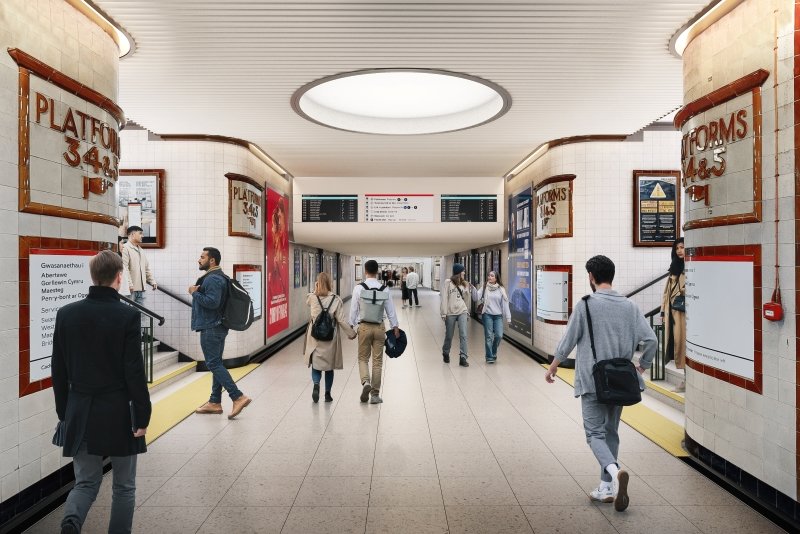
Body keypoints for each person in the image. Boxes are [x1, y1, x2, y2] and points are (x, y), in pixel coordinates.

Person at [544, 255, 657, 513]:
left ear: (591, 277)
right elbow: (651, 340)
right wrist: (642, 366)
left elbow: (568, 340)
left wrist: (553, 366)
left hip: (592, 380)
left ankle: (614, 473)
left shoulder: (585, 305)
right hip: (620, 382)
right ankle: (606, 487)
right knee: (611, 432)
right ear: (611, 276)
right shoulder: (630, 306)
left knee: (594, 434)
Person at [51, 250, 151, 534]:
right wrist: (142, 415)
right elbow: (134, 372)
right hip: (119, 412)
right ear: (119, 277)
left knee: (85, 482)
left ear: (93, 276)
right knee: (124, 486)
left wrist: (64, 413)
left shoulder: (66, 314)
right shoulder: (128, 316)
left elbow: (58, 369)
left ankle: (71, 523)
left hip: (80, 409)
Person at [191, 247, 252, 419]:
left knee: (213, 364)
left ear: (212, 260)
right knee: (216, 363)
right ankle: (214, 402)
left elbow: (212, 302)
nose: (199, 259)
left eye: (202, 257)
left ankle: (237, 396)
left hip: (211, 327)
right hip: (217, 326)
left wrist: (194, 293)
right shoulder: (219, 277)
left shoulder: (213, 279)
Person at [350, 259, 400, 404]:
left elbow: (354, 309)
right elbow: (390, 310)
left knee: (363, 358)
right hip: (379, 328)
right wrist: (395, 326)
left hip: (364, 327)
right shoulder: (384, 289)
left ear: (365, 271)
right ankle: (375, 395)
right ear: (377, 271)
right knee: (377, 362)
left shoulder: (358, 288)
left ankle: (366, 382)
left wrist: (351, 326)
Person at [304, 272, 356, 403]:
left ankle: (316, 385)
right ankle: (327, 394)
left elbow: (307, 300)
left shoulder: (312, 298)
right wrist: (351, 333)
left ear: (317, 283)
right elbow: (341, 320)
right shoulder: (336, 299)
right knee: (329, 367)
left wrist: (315, 289)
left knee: (316, 365)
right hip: (329, 337)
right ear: (330, 283)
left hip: (315, 337)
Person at [440, 263, 478, 367]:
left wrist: (467, 311)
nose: (464, 273)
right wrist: (444, 313)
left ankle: (463, 358)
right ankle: (446, 352)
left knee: (463, 334)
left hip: (462, 311)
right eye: (463, 271)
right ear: (458, 272)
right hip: (450, 312)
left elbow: (467, 299)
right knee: (449, 335)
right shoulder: (448, 282)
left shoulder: (465, 284)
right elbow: (444, 298)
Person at [661, 237, 686, 392]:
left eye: (682, 247)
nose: (679, 251)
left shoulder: (691, 267)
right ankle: (686, 379)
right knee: (676, 344)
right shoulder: (674, 268)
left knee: (683, 346)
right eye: (677, 248)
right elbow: (666, 293)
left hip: (684, 314)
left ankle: (687, 381)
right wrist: (662, 311)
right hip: (672, 313)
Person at [477, 270, 511, 363]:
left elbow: (505, 304)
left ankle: (493, 351)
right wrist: (472, 290)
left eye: (492, 276)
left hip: (498, 316)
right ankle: (489, 357)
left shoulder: (501, 289)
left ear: (496, 278)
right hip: (487, 314)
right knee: (488, 336)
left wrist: (508, 317)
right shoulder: (485, 287)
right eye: (489, 275)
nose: (489, 277)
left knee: (499, 335)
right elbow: (476, 297)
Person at [121, 225, 157, 305]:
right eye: (140, 233)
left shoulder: (141, 250)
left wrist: (152, 281)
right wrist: (129, 284)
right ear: (132, 234)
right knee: (129, 311)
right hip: (130, 289)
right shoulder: (125, 248)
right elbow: (124, 268)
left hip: (141, 290)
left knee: (141, 312)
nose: (142, 236)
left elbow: (146, 268)